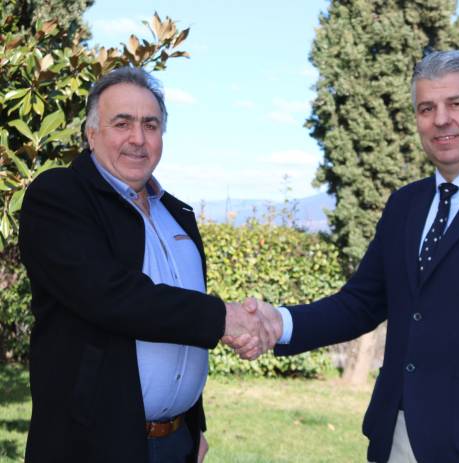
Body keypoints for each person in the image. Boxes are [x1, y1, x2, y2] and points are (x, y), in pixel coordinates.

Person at [229, 50, 459, 462]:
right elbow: (360, 303)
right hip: (396, 438)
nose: (441, 120)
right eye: (426, 108)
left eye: (456, 104)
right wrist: (279, 323)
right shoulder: (405, 205)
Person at [18, 66, 280, 463]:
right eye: (122, 123)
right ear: (92, 133)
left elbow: (179, 324)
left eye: (151, 125)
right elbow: (112, 296)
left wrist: (192, 425)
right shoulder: (60, 196)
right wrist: (223, 318)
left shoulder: (178, 214)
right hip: (91, 445)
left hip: (177, 441)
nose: (138, 139)